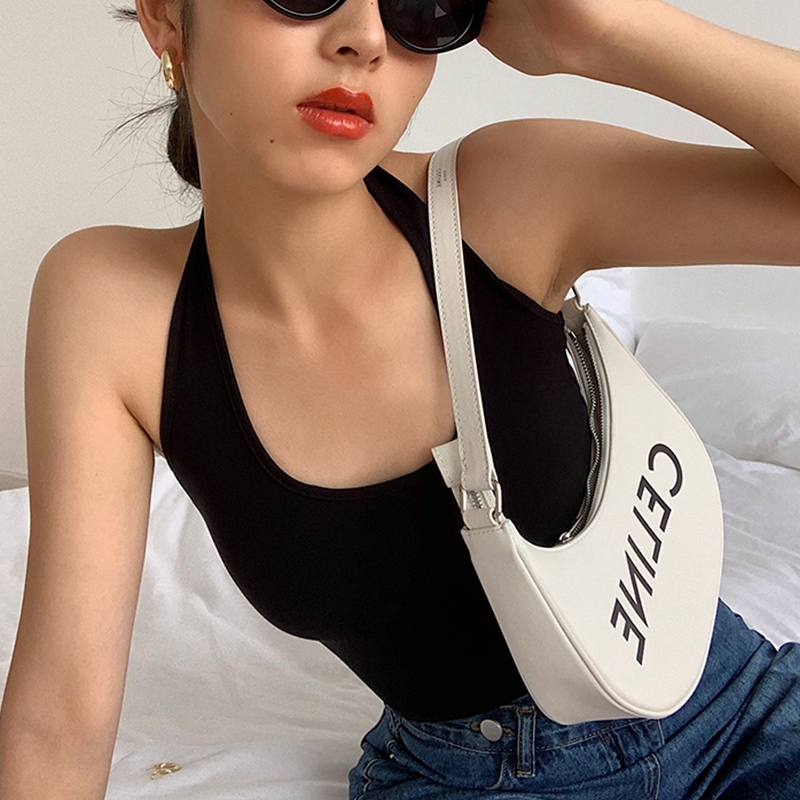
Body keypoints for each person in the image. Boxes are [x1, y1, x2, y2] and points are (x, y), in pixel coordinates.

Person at [1, 0, 799, 797]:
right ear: (166, 17)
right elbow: (59, 721)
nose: (365, 39)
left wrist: (607, 32)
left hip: (741, 717)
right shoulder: (112, 307)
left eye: (420, 3)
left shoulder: (504, 198)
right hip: (458, 779)